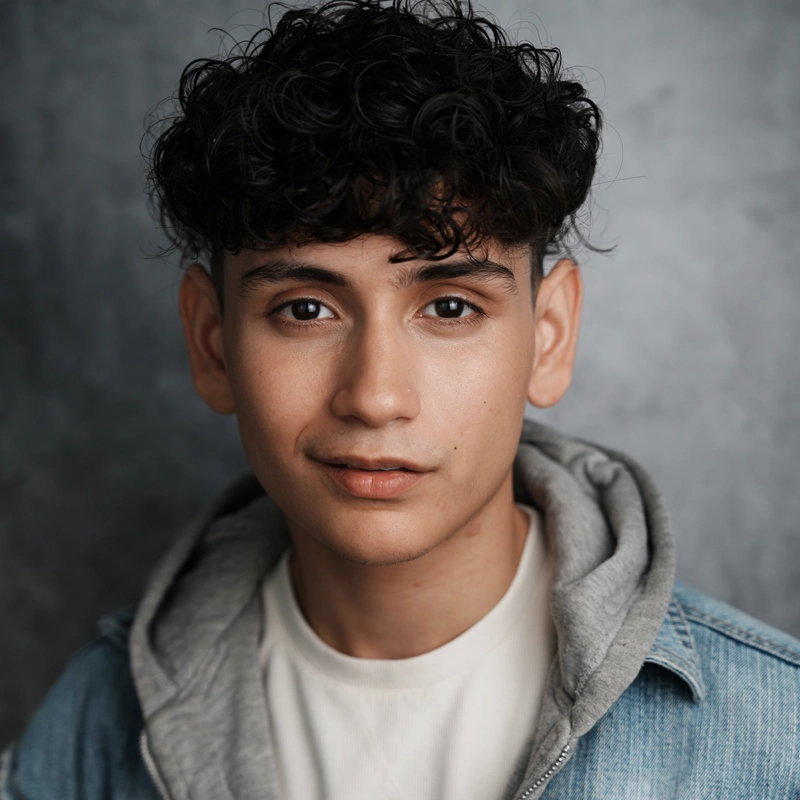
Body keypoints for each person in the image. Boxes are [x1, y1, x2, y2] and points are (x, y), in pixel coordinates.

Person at [3, 0, 799, 797]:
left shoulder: (776, 734)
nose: (375, 397)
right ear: (213, 343)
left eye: (450, 308)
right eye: (305, 309)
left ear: (548, 336)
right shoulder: (87, 733)